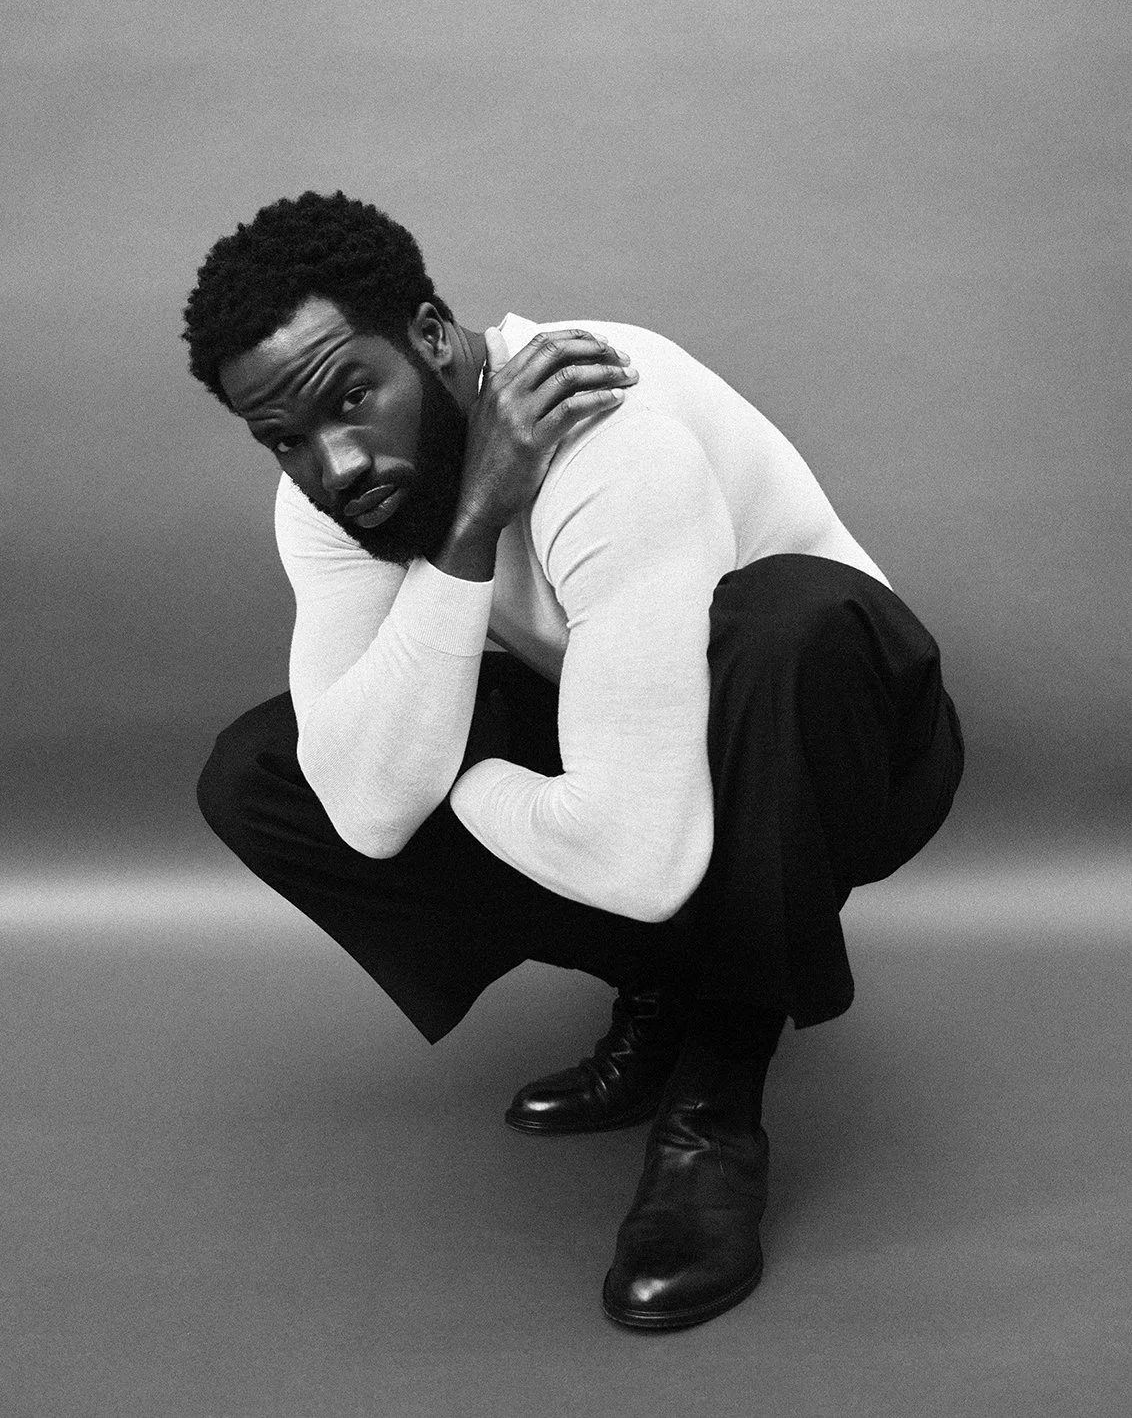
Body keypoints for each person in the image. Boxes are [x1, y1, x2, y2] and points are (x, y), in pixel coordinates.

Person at [185, 190, 964, 1331]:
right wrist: (469, 528)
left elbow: (639, 857)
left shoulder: (604, 421)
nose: (336, 461)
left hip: (840, 744)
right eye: (286, 439)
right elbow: (358, 805)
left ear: (436, 338)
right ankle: (661, 978)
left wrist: (461, 775)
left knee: (781, 626)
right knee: (262, 770)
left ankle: (715, 1097)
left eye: (354, 396)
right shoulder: (336, 498)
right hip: (633, 737)